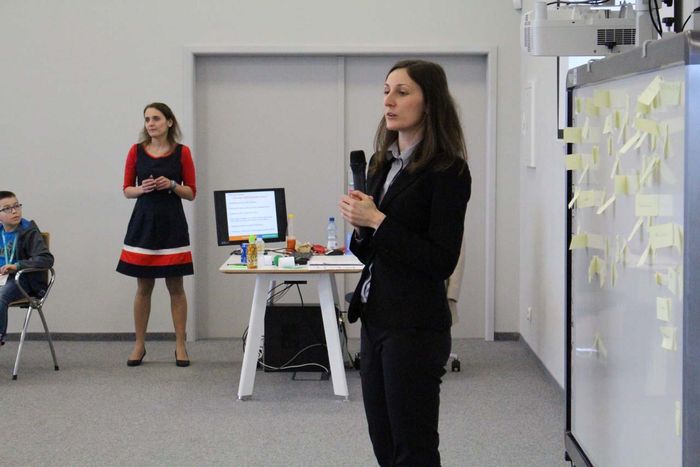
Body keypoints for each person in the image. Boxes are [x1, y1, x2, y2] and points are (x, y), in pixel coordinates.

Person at [339, 60, 471, 466]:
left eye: (402, 92)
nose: (389, 101)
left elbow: (440, 260)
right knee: (383, 442)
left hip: (415, 325)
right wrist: (362, 229)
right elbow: (371, 252)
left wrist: (378, 221)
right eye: (386, 91)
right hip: (376, 317)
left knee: (413, 449)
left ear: (429, 102)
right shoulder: (381, 164)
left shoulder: (448, 171)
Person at [116, 103, 196, 367]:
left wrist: (172, 185)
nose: (151, 123)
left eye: (156, 118)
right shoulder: (135, 151)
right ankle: (139, 344)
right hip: (144, 223)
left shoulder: (183, 152)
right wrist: (143, 188)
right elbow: (127, 190)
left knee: (176, 287)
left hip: (172, 224)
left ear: (169, 122)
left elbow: (191, 192)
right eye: (147, 119)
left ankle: (180, 345)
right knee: (143, 287)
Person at [0, 191, 54, 346]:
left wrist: (17, 266)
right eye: (7, 208)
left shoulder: (28, 231)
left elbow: (46, 259)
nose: (14, 211)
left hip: (22, 280)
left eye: (16, 206)